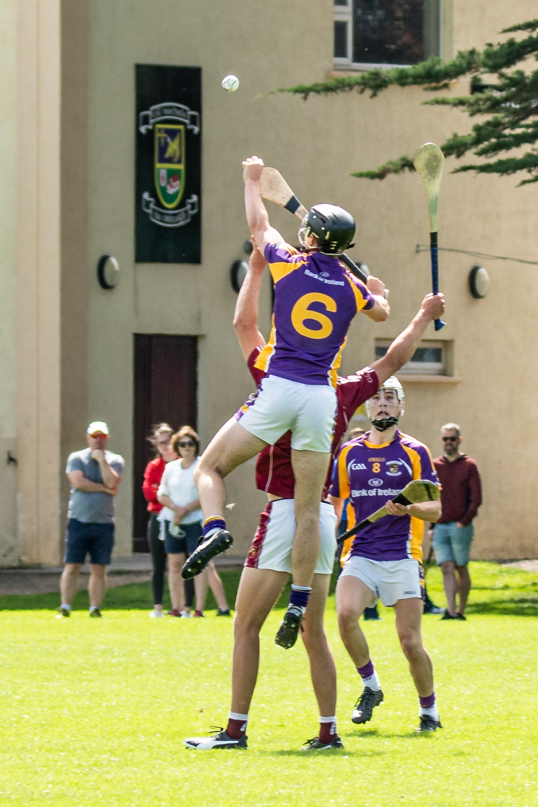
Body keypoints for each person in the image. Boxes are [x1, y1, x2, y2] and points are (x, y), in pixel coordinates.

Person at [184, 244, 445, 750]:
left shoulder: (275, 373)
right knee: (314, 629)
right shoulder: (344, 392)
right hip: (323, 522)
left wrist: (258, 267)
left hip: (285, 513)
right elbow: (393, 359)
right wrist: (420, 314)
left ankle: (235, 730)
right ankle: (328, 733)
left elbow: (244, 325)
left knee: (245, 627)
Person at [184, 155, 390, 652]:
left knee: (210, 468)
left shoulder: (288, 260)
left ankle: (214, 528)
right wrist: (377, 292)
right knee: (306, 509)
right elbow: (382, 314)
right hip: (321, 398)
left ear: (311, 238)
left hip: (279, 387)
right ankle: (299, 598)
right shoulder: (352, 284)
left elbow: (259, 226)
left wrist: (252, 180)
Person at [332, 379, 444, 732]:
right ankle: (370, 686)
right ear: (366, 408)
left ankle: (429, 711)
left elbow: (436, 509)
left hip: (403, 556)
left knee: (410, 643)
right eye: (375, 398)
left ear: (401, 406)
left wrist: (409, 510)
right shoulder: (349, 453)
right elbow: (335, 503)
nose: (382, 404)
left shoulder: (415, 451)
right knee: (346, 613)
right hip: (360, 552)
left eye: (389, 398)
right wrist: (321, 539)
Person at [157, 427, 230, 617]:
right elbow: (161, 494)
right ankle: (176, 607)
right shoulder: (171, 467)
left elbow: (207, 493)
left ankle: (198, 608)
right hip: (173, 520)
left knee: (199, 563)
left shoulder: (201, 466)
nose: (186, 447)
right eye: (182, 444)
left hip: (195, 520)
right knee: (174, 564)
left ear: (196, 446)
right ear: (177, 447)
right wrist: (176, 510)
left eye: (190, 444)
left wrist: (187, 509)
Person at [57, 421, 124, 618]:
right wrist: (104, 488)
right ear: (88, 438)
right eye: (94, 436)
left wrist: (102, 461)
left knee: (99, 567)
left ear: (107, 439)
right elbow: (79, 483)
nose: (98, 440)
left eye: (102, 437)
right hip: (78, 521)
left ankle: (95, 608)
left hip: (104, 522)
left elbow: (112, 481)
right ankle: (66, 606)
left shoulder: (115, 460)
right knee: (72, 566)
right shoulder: (76, 458)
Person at [431, 423, 482, 620]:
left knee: (461, 566)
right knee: (446, 566)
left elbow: (476, 497)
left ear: (459, 440)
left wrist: (465, 521)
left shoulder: (469, 465)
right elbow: (431, 496)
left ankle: (461, 609)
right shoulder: (436, 465)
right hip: (440, 526)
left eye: (452, 439)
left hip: (460, 526)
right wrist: (431, 525)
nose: (449, 442)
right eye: (445, 439)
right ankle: (450, 610)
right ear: (441, 441)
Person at [142, 423, 179, 618]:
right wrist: (167, 495)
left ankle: (180, 606)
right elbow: (149, 492)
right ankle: (157, 606)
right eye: (160, 442)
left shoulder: (183, 463)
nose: (164, 446)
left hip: (181, 518)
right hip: (157, 517)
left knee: (179, 563)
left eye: (168, 442)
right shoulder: (154, 466)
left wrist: (166, 496)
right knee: (158, 565)